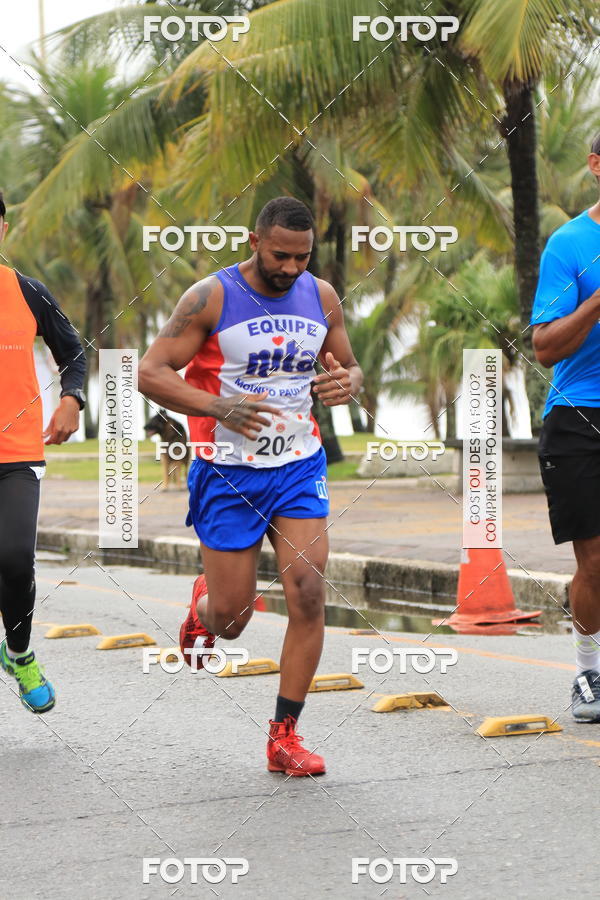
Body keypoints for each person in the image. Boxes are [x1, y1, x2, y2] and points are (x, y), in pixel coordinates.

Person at [138, 196, 362, 774]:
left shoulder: (322, 296)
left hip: (298, 466)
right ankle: (205, 609)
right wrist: (219, 406)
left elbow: (348, 364)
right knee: (233, 620)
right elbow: (150, 372)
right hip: (226, 472)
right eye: (280, 256)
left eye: (302, 257)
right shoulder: (210, 297)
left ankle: (284, 737)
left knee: (307, 592)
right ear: (255, 241)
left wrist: (348, 383)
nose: (291, 268)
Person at [0, 190, 86, 713]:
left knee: (14, 558)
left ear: (3, 228)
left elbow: (72, 351)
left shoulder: (28, 292)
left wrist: (72, 399)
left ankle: (19, 654)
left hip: (16, 451)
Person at [532, 133, 600, 722]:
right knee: (596, 560)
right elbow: (546, 346)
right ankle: (588, 672)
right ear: (596, 166)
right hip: (580, 415)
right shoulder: (570, 243)